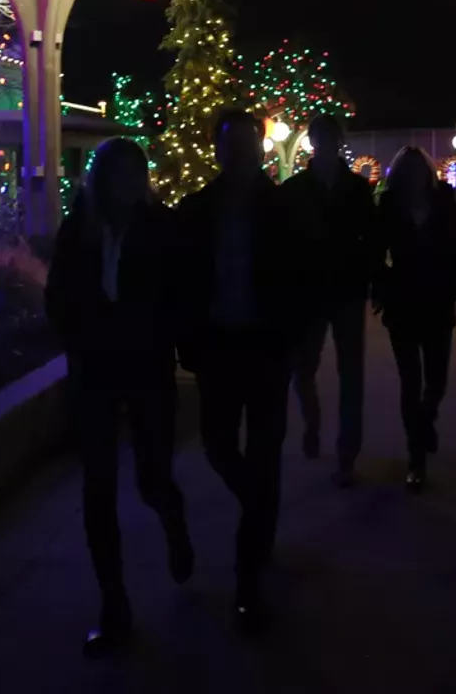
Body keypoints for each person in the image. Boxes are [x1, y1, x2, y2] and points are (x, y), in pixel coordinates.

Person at [44, 138, 193, 658]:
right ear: (101, 178)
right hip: (95, 372)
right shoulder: (79, 228)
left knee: (152, 478)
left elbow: (180, 294)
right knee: (98, 491)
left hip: (147, 368)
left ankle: (173, 519)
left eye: (136, 173)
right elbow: (58, 295)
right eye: (118, 174)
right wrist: (80, 340)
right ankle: (114, 604)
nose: (127, 184)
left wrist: (168, 341)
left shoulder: (160, 227)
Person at [177, 110, 297, 631]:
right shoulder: (198, 210)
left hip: (267, 350)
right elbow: (182, 285)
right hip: (220, 349)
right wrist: (189, 343)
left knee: (265, 456)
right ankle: (260, 513)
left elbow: (303, 274)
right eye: (232, 144)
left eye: (249, 143)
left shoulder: (281, 208)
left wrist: (296, 337)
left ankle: (248, 582)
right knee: (220, 447)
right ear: (219, 150)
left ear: (258, 148)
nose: (242, 153)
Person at [282, 113, 377, 487]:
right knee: (303, 368)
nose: (324, 141)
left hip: (345, 291)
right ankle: (313, 424)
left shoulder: (356, 188)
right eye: (319, 135)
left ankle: (346, 454)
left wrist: (367, 274)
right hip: (308, 293)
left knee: (351, 374)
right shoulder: (295, 189)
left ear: (337, 139)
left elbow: (369, 238)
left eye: (329, 135)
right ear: (313, 140)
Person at [372, 147, 456, 493]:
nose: (413, 178)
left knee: (437, 381)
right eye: (407, 172)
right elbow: (373, 252)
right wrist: (383, 287)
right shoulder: (389, 206)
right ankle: (416, 457)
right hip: (403, 302)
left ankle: (425, 422)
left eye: (417, 171)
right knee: (410, 382)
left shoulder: (444, 203)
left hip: (437, 301)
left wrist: (452, 289)